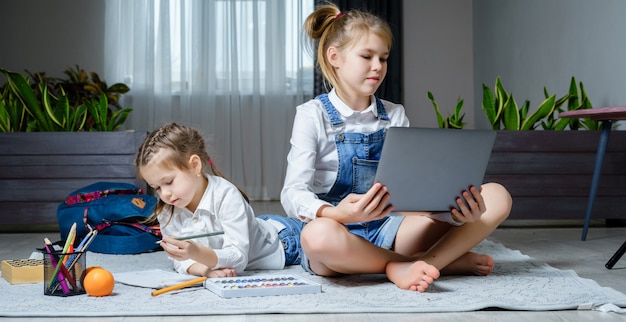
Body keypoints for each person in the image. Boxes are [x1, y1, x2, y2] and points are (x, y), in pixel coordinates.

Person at [281, 4, 512, 292]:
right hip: (338, 235)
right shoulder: (311, 115)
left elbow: (415, 195)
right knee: (316, 237)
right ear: (335, 57)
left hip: (391, 229)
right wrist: (337, 214)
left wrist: (453, 214)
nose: (377, 66)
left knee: (497, 196)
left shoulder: (394, 114)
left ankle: (417, 261)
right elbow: (292, 193)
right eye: (366, 56)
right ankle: (422, 263)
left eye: (384, 58)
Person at [136, 122, 305, 278]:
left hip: (284, 241)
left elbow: (238, 258)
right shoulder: (167, 209)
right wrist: (205, 270)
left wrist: (195, 252)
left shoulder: (226, 195)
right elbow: (178, 259)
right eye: (157, 187)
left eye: (168, 182)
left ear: (195, 165)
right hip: (254, 228)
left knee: (322, 238)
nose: (164, 194)